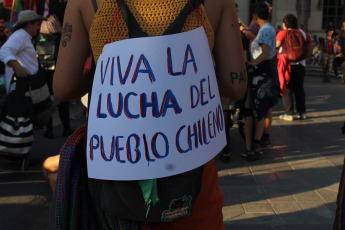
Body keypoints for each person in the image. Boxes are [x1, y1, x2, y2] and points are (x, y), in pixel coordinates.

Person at [52, 0, 246, 229]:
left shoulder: (83, 3)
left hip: (116, 172)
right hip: (191, 174)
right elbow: (236, 86)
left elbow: (64, 87)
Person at [246, 2, 280, 160]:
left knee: (260, 107)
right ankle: (264, 137)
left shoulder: (265, 29)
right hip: (267, 69)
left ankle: (257, 143)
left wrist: (253, 63)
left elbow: (265, 51)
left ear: (255, 16)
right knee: (266, 107)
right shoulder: (269, 28)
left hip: (263, 70)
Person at [37, 14, 73, 138]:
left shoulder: (38, 38)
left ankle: (49, 130)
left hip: (45, 75)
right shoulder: (59, 38)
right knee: (63, 102)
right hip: (59, 72)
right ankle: (66, 128)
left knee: (48, 103)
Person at [276, 14, 313, 121]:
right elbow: (310, 44)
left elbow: (277, 46)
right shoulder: (302, 32)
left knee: (287, 89)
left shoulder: (283, 33)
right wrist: (307, 58)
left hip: (288, 65)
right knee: (299, 89)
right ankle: (302, 112)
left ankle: (289, 113)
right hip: (301, 64)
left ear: (284, 24)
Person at [0, 10, 46, 93]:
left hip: (27, 87)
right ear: (29, 25)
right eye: (38, 25)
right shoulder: (20, 35)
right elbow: (3, 51)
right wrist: (17, 66)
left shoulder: (24, 36)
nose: (39, 28)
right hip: (20, 89)